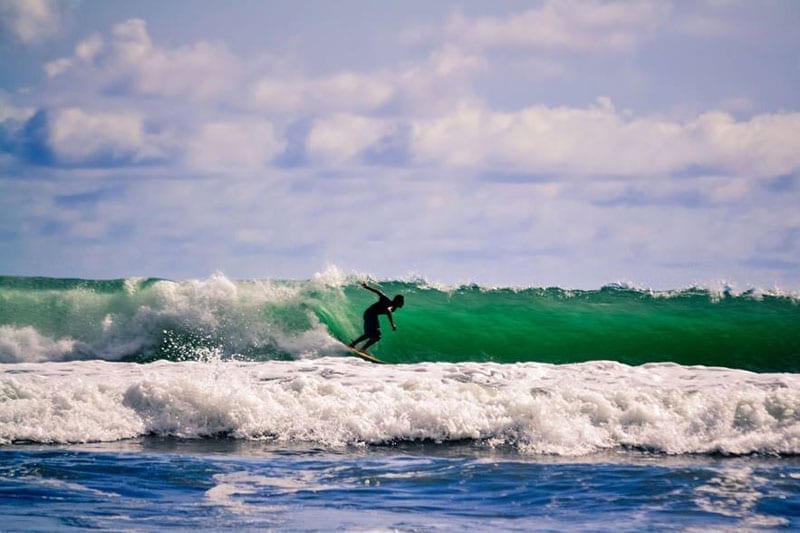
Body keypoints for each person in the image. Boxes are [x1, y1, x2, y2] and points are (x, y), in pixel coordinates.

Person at [349, 281, 404, 353]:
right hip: (369, 314)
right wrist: (366, 287)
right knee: (371, 334)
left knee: (377, 336)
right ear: (397, 301)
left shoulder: (392, 308)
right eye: (402, 301)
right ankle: (353, 344)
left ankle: (363, 349)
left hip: (373, 316)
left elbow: (388, 312)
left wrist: (392, 324)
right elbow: (379, 292)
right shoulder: (386, 300)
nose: (403, 303)